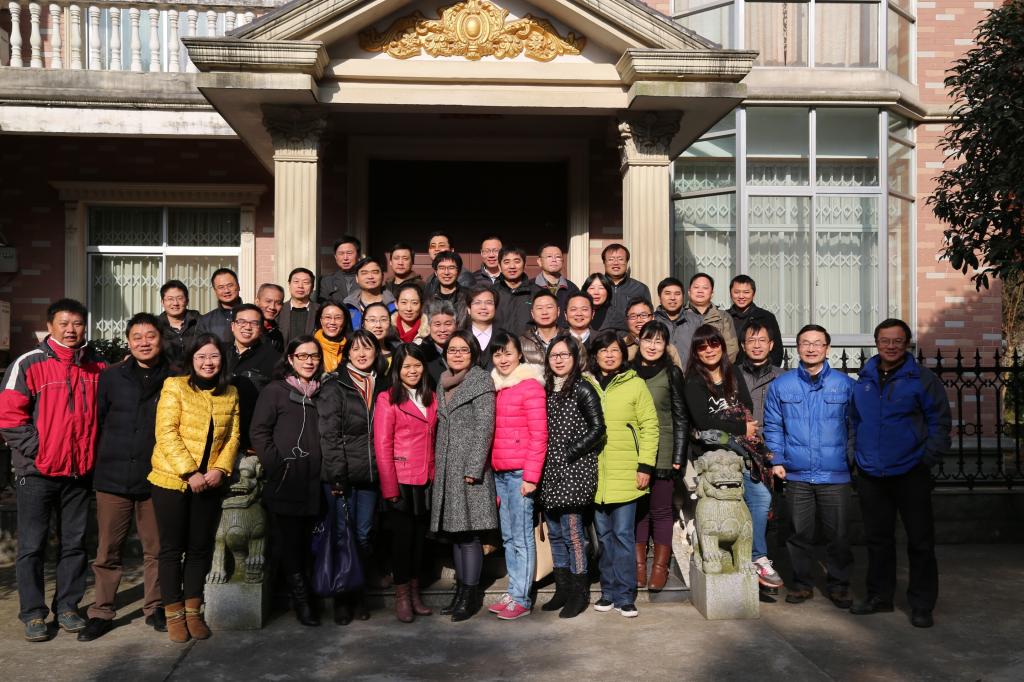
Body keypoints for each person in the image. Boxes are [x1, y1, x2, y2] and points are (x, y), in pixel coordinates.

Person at [0, 299, 107, 642]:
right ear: (50, 326)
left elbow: (106, 416)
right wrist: (42, 452)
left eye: (78, 323)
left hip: (79, 473)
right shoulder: (29, 363)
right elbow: (10, 418)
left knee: (74, 544)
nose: (71, 330)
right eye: (64, 323)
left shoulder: (97, 367)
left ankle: (68, 607)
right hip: (37, 473)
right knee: (32, 546)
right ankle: (33, 613)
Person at [849, 319, 952, 629]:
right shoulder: (863, 380)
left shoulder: (923, 380)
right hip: (871, 472)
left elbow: (940, 423)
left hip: (911, 471)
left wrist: (926, 459)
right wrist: (855, 456)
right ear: (876, 343)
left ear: (906, 344)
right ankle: (879, 597)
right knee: (877, 540)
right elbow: (853, 421)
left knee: (920, 541)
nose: (890, 346)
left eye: (897, 341)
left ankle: (921, 604)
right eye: (885, 340)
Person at [78, 313, 170, 642]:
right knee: (108, 549)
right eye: (137, 337)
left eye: (150, 336)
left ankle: (155, 606)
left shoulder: (174, 377)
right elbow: (99, 420)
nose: (144, 342)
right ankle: (101, 611)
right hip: (113, 474)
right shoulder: (111, 376)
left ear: (161, 339)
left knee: (156, 548)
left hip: (156, 476)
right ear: (129, 342)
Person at [149, 333, 240, 643]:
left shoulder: (230, 392)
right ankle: (173, 614)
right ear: (191, 360)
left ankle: (193, 611)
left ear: (222, 360)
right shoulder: (175, 386)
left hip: (210, 482)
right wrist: (190, 472)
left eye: (213, 356)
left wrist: (220, 469)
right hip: (172, 480)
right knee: (172, 549)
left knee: (200, 548)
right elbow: (166, 432)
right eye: (201, 356)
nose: (207, 362)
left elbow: (233, 436)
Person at [763, 324, 856, 608]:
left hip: (835, 474)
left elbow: (855, 428)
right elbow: (773, 426)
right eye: (805, 343)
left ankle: (839, 586)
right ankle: (801, 585)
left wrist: (851, 462)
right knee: (797, 534)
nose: (811, 348)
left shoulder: (846, 385)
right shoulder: (782, 385)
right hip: (797, 473)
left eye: (818, 343)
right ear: (797, 348)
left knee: (838, 536)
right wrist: (777, 459)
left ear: (828, 348)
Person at [250, 335, 325, 627]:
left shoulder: (322, 391)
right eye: (302, 356)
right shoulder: (276, 391)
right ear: (291, 359)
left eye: (314, 356)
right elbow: (259, 432)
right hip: (287, 481)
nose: (309, 361)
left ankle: (312, 596)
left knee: (309, 544)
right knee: (291, 545)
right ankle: (302, 602)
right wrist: (277, 467)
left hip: (316, 482)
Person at [318, 330, 389, 625]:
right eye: (356, 349)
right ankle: (342, 598)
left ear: (376, 352)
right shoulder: (335, 385)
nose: (362, 354)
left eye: (367, 348)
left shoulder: (382, 383)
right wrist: (337, 476)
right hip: (342, 474)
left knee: (363, 535)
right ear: (347, 353)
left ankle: (359, 591)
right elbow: (329, 434)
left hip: (371, 473)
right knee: (340, 534)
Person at [588, 330, 658, 618]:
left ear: (623, 354)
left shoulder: (635, 384)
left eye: (615, 350)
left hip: (626, 472)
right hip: (594, 474)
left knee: (623, 535)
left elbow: (649, 426)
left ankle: (626, 595)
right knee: (603, 538)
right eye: (603, 350)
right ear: (595, 355)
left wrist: (645, 466)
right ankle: (608, 591)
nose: (609, 355)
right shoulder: (586, 384)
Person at [430, 330, 498, 622]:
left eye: (463, 350)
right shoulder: (443, 380)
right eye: (452, 350)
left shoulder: (480, 380)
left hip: (469, 471)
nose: (457, 354)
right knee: (456, 535)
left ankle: (470, 596)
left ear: (473, 353)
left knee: (469, 535)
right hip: (448, 468)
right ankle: (460, 591)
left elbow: (485, 426)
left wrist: (474, 468)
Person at [538, 334, 604, 619]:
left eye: (564, 355)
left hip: (575, 470)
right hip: (549, 470)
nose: (559, 360)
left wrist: (570, 451)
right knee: (554, 533)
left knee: (573, 534)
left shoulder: (583, 387)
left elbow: (598, 428)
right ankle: (562, 588)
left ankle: (579, 592)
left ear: (575, 359)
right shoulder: (546, 389)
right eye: (554, 355)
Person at [373, 343, 438, 623]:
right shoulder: (387, 399)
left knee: (419, 542)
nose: (412, 371)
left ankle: (415, 594)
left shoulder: (431, 397)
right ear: (397, 370)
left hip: (426, 479)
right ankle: (401, 597)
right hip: (400, 480)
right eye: (406, 366)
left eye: (417, 365)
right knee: (402, 542)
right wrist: (390, 488)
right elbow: (382, 446)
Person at [486, 332, 548, 620]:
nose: (503, 359)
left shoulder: (530, 386)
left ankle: (522, 598)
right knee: (509, 537)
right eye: (497, 354)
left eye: (508, 353)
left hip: (521, 474)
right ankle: (513, 591)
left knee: (522, 537)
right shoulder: (496, 387)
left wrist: (531, 477)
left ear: (519, 354)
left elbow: (539, 435)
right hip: (500, 472)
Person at [630, 320, 687, 591]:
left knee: (661, 510)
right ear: (638, 341)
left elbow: (680, 416)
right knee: (639, 511)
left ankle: (660, 568)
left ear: (666, 345)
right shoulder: (627, 372)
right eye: (647, 339)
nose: (652, 346)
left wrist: (678, 454)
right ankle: (639, 567)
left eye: (658, 341)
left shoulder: (671, 373)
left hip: (663, 451)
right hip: (632, 451)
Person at [736, 321, 785, 591]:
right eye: (751, 341)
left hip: (773, 452)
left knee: (773, 514)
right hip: (742, 452)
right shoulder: (732, 375)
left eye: (762, 340)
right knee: (753, 506)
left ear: (771, 344)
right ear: (743, 346)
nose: (757, 345)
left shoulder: (782, 377)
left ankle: (767, 564)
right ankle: (754, 563)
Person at [226, 304, 280, 454]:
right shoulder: (219, 353)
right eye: (241, 322)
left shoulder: (274, 359)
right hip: (220, 437)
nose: (247, 327)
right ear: (233, 326)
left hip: (251, 442)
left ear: (261, 328)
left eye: (254, 323)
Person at [728, 275, 784, 367]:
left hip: (760, 371)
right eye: (736, 292)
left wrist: (767, 372)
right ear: (731, 294)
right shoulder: (724, 318)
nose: (741, 296)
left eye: (746, 292)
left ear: (753, 294)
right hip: (729, 372)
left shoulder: (766, 317)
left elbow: (777, 350)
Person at [687, 273, 739, 362]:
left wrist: (717, 368)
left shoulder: (723, 317)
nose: (700, 291)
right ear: (689, 291)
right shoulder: (680, 316)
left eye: (705, 288)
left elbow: (731, 348)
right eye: (696, 287)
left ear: (712, 293)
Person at [601, 244, 651, 333]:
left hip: (630, 338)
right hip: (600, 337)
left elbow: (647, 317)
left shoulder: (640, 288)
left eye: (620, 259)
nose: (616, 263)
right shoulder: (595, 287)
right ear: (604, 262)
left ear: (627, 262)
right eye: (611, 259)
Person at [653, 277, 700, 367]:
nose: (672, 298)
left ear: (683, 297)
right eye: (667, 293)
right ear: (659, 297)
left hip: (689, 374)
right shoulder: (652, 320)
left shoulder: (696, 321)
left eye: (677, 294)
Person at [623, 298, 682, 369]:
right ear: (626, 319)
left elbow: (677, 373)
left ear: (653, 317)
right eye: (633, 316)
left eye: (644, 315)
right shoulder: (620, 346)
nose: (639, 320)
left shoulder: (669, 348)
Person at [532, 243, 578, 326]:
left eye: (558, 257)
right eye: (549, 256)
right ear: (539, 261)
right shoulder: (529, 287)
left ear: (562, 261)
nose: (554, 260)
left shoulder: (572, 288)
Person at [157, 280, 199, 369]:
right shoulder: (155, 327)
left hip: (196, 375)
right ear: (162, 302)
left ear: (187, 301)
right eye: (170, 299)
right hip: (165, 376)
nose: (175, 303)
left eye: (180, 298)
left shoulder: (200, 322)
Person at [345, 256, 397, 329]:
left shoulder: (395, 305)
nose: (370, 277)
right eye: (364, 273)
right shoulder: (348, 306)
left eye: (375, 272)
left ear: (382, 276)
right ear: (357, 278)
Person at [494, 246, 533, 337]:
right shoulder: (492, 293)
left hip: (529, 344)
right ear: (499, 266)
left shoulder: (536, 292)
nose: (512, 266)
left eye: (517, 261)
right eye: (506, 262)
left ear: (524, 265)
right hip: (499, 344)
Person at [197, 268, 242, 343]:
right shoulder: (205, 322)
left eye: (230, 285)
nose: (226, 290)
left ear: (238, 286)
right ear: (215, 291)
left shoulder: (253, 315)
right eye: (221, 287)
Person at [278, 267, 321, 345]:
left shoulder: (320, 311)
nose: (300, 286)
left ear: (312, 287)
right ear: (289, 285)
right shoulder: (279, 310)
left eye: (305, 282)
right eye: (296, 281)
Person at [317, 235, 361, 307]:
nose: (345, 258)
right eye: (341, 253)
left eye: (349, 253)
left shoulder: (366, 278)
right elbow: (324, 306)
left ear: (358, 255)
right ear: (335, 257)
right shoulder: (327, 281)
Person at [422, 300, 458, 383]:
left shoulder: (466, 350)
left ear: (456, 325)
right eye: (437, 324)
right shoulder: (422, 353)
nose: (442, 330)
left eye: (448, 324)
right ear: (429, 326)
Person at [520, 290, 561, 365]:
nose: (544, 312)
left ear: (558, 311)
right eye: (539, 308)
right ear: (532, 313)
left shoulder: (571, 339)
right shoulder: (521, 342)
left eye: (549, 307)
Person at [466, 285, 501, 370]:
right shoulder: (460, 338)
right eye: (477, 303)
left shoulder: (505, 337)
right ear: (469, 309)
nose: (483, 307)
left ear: (495, 308)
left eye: (489, 303)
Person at [315, 303, 350, 373]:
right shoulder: (311, 347)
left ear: (344, 321)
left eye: (338, 318)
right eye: (328, 317)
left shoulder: (351, 348)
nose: (332, 322)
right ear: (321, 320)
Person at [362, 302, 397, 366]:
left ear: (390, 323)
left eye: (383, 320)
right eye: (372, 320)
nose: (378, 325)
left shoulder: (397, 353)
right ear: (363, 324)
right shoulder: (356, 354)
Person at [256, 283, 286, 353]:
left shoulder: (277, 334)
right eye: (268, 301)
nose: (272, 307)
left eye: (278, 303)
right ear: (257, 301)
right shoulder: (245, 328)